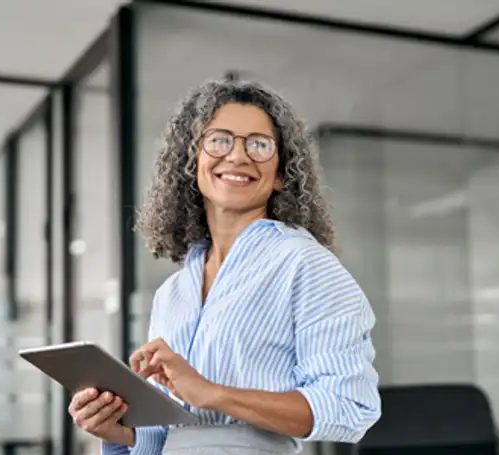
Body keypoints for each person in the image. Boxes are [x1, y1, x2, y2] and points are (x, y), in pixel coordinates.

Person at [67, 79, 382, 455]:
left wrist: (213, 393)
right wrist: (119, 430)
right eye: (219, 140)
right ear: (192, 161)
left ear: (282, 173)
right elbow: (171, 433)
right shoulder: (173, 293)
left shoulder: (305, 265)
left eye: (259, 145)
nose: (237, 156)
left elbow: (351, 407)